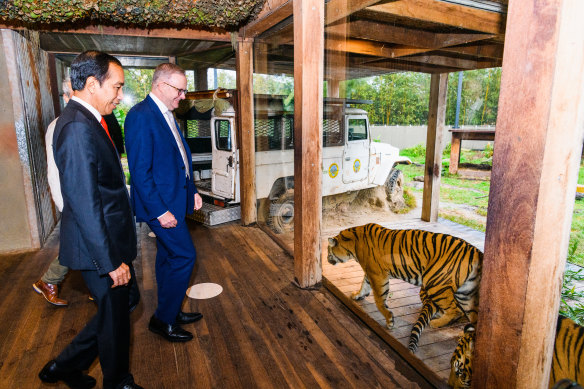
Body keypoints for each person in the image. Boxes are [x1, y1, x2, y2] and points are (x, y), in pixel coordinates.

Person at [38, 51, 142, 389]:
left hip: (107, 240)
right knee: (114, 318)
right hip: (100, 248)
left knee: (124, 304)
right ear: (93, 84)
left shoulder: (87, 120)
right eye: (117, 87)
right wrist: (111, 261)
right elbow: (83, 202)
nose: (119, 95)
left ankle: (65, 366)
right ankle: (118, 383)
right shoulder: (77, 128)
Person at [124, 63, 203, 343]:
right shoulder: (140, 116)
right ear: (161, 86)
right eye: (180, 90)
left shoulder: (166, 113)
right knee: (185, 256)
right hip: (162, 205)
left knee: (168, 257)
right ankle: (163, 321)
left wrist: (191, 189)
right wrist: (160, 211)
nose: (183, 96)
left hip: (176, 198)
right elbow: (140, 173)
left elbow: (181, 158)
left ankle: (170, 309)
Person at [32, 79, 73, 307]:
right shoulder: (59, 126)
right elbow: (55, 171)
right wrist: (64, 204)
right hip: (71, 200)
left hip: (78, 200)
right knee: (79, 243)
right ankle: (49, 280)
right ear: (66, 98)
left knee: (80, 243)